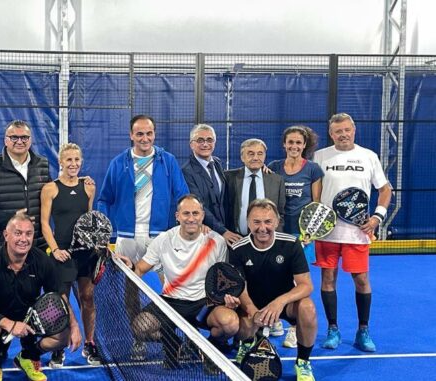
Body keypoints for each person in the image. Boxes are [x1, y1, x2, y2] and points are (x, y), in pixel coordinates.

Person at [118, 195, 240, 365]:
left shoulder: (216, 241)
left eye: (196, 213)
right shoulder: (163, 240)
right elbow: (139, 269)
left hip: (204, 303)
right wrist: (130, 267)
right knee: (140, 329)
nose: (191, 218)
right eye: (186, 213)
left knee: (231, 324)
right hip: (171, 303)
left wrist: (227, 299)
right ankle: (173, 341)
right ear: (177, 216)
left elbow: (223, 278)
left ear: (203, 216)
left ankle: (207, 347)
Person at [313, 113, 392, 352]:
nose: (343, 134)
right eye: (338, 131)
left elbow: (385, 189)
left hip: (357, 234)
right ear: (331, 133)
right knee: (328, 279)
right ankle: (333, 329)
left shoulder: (368, 156)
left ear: (353, 130)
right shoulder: (320, 156)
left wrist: (377, 217)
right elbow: (315, 193)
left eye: (347, 130)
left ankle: (363, 330)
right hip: (327, 233)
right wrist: (315, 222)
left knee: (362, 280)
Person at [0, 214, 78, 381]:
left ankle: (27, 356)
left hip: (31, 318)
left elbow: (59, 295)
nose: (24, 239)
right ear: (6, 235)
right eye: (18, 233)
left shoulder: (42, 260)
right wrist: (10, 324)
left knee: (63, 335)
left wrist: (74, 325)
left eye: (28, 234)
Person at [229, 199, 317, 381]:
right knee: (242, 325)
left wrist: (279, 302)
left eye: (268, 222)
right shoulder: (238, 249)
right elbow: (240, 287)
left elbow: (306, 285)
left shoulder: (291, 244)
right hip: (252, 304)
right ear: (248, 222)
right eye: (256, 222)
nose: (263, 228)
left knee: (307, 307)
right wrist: (253, 311)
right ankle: (247, 343)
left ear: (277, 222)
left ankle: (303, 362)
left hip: (284, 304)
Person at [97, 114, 189, 285]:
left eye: (149, 133)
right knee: (127, 286)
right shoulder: (117, 163)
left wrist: (181, 227)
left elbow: (183, 196)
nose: (145, 138)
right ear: (131, 135)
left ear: (154, 134)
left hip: (159, 235)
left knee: (165, 285)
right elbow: (104, 200)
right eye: (140, 134)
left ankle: (159, 313)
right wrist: (103, 234)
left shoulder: (168, 161)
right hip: (126, 237)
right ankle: (132, 313)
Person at [39, 143, 100, 368]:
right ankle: (59, 345)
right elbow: (45, 224)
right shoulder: (50, 189)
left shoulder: (89, 187)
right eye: (69, 160)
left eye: (77, 160)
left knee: (87, 297)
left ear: (81, 162)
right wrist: (55, 249)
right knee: (60, 301)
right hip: (62, 252)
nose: (73, 164)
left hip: (85, 252)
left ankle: (90, 343)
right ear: (61, 163)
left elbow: (89, 218)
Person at [267, 125, 324, 348]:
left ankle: (294, 329)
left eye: (298, 143)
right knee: (274, 278)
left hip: (303, 235)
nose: (294, 146)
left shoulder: (313, 169)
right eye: (290, 142)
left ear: (304, 145)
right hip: (276, 233)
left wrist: (310, 232)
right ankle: (276, 322)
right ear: (284, 144)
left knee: (297, 282)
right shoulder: (273, 167)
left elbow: (316, 204)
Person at [0, 120, 50, 248]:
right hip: (4, 244)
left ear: (30, 140)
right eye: (14, 137)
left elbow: (52, 194)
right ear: (5, 140)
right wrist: (11, 218)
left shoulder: (42, 164)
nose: (19, 142)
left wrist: (77, 181)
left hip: (37, 243)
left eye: (24, 137)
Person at [182, 123, 242, 245]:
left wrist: (258, 168)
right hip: (205, 234)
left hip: (226, 231)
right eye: (200, 140)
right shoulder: (186, 171)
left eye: (209, 140)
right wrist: (222, 231)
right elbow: (199, 206)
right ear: (191, 144)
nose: (205, 144)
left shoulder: (217, 163)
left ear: (214, 143)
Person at [225, 138, 286, 236]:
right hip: (236, 239)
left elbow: (280, 213)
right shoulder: (228, 177)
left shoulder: (277, 180)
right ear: (242, 157)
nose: (256, 158)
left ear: (265, 156)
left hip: (267, 239)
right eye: (250, 153)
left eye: (260, 153)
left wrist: (274, 236)